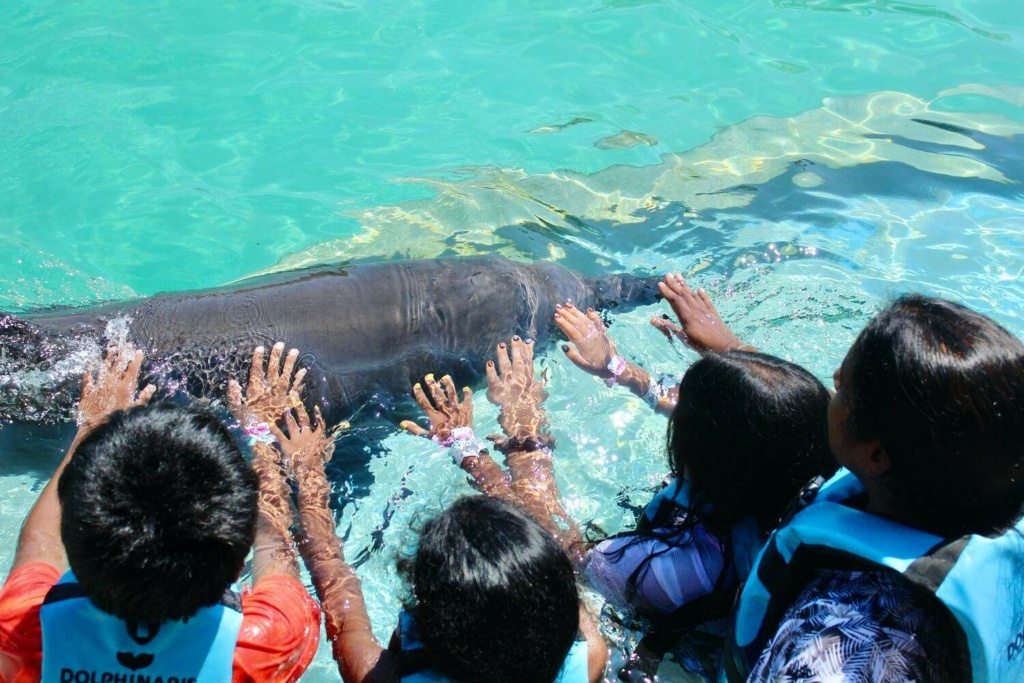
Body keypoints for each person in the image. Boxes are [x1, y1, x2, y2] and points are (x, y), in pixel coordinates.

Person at [259, 337, 607, 683]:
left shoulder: (380, 679)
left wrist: (298, 466)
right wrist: (481, 441)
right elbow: (551, 547)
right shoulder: (589, 659)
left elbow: (330, 575)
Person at [724, 295, 1024, 683]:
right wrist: (734, 351)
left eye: (845, 384)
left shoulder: (841, 645)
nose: (833, 377)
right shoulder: (986, 479)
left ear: (876, 455)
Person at [552, 280, 835, 679]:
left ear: (693, 453)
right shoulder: (827, 486)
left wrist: (516, 444)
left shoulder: (666, 568)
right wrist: (620, 369)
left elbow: (568, 557)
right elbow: (767, 428)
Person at [0, 343, 321, 683]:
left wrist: (93, 428)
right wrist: (263, 436)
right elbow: (275, 551)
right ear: (240, 562)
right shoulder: (263, 644)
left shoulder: (23, 634)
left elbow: (41, 543)